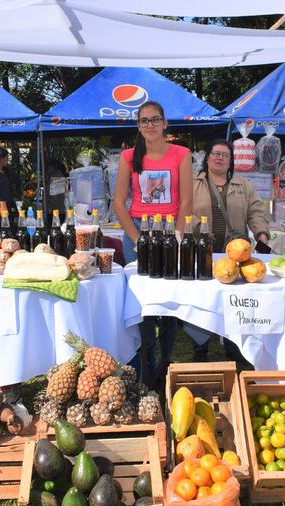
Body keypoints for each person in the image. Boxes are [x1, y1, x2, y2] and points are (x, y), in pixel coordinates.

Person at [112, 101, 192, 384]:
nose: (150, 125)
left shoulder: (182, 154)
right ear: (138, 126)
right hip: (138, 234)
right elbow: (118, 204)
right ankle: (146, 361)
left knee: (169, 301)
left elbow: (185, 201)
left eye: (155, 119)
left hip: (170, 234)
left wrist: (179, 237)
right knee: (142, 304)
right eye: (144, 120)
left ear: (165, 123)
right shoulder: (128, 157)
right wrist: (137, 240)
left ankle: (167, 360)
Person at [189, 139, 270, 363]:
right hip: (203, 249)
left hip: (236, 253)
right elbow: (183, 209)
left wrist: (261, 232)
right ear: (207, 158)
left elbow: (256, 211)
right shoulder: (193, 183)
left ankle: (235, 346)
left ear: (231, 160)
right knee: (204, 299)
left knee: (234, 299)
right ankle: (200, 347)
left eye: (225, 155)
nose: (220, 158)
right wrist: (199, 229)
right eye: (215, 153)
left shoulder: (242, 184)